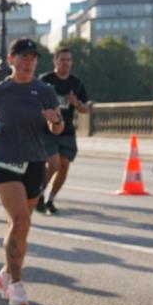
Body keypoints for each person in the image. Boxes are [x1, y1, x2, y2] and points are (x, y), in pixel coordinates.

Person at [0, 39, 63, 305]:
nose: (28, 62)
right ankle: (16, 285)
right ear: (12, 59)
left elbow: (57, 128)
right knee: (21, 220)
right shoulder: (0, 90)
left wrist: (55, 120)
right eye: (23, 57)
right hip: (5, 162)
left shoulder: (45, 91)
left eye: (33, 58)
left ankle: (5, 272)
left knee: (21, 227)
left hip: (36, 163)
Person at [36, 47, 89, 214]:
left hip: (66, 131)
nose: (66, 63)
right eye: (62, 59)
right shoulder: (45, 80)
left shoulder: (76, 83)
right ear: (55, 61)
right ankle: (38, 195)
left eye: (68, 60)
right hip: (47, 130)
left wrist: (76, 103)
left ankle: (50, 199)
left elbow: (85, 108)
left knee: (64, 165)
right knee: (54, 163)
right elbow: (34, 101)